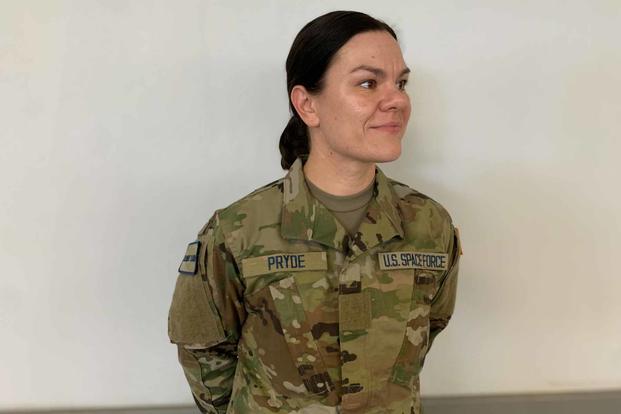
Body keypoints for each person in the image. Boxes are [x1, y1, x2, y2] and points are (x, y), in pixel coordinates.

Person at [168, 10, 462, 414]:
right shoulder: (238, 231)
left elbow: (428, 330)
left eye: (401, 83)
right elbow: (204, 352)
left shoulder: (430, 225)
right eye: (368, 83)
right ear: (307, 104)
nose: (397, 100)